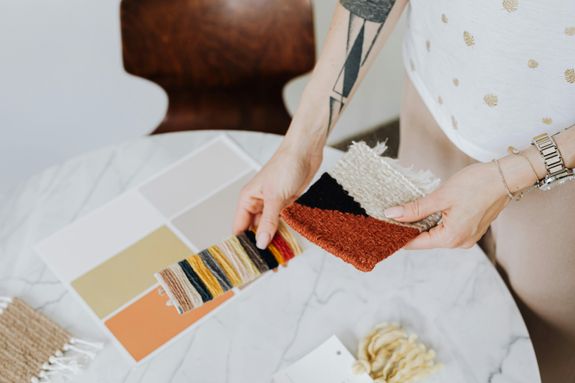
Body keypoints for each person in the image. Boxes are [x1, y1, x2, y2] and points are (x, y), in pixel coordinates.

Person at [233, 1, 575, 381]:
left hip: (562, 173)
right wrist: (300, 144)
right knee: (429, 314)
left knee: (543, 356)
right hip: (433, 103)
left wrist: (517, 173)